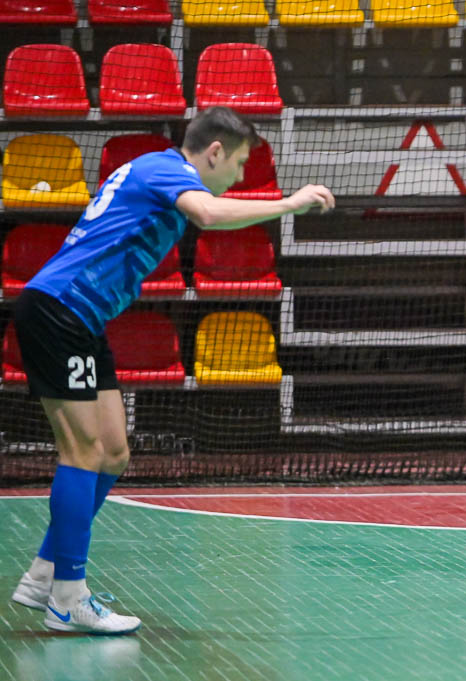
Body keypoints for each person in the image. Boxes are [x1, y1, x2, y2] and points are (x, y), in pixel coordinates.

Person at [9, 106, 335, 634]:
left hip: (84, 319)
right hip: (58, 310)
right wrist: (289, 203)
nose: (239, 176)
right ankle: (67, 596)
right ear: (214, 152)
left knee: (113, 451)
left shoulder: (156, 170)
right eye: (239, 163)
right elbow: (207, 215)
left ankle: (46, 572)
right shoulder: (165, 170)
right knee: (82, 452)